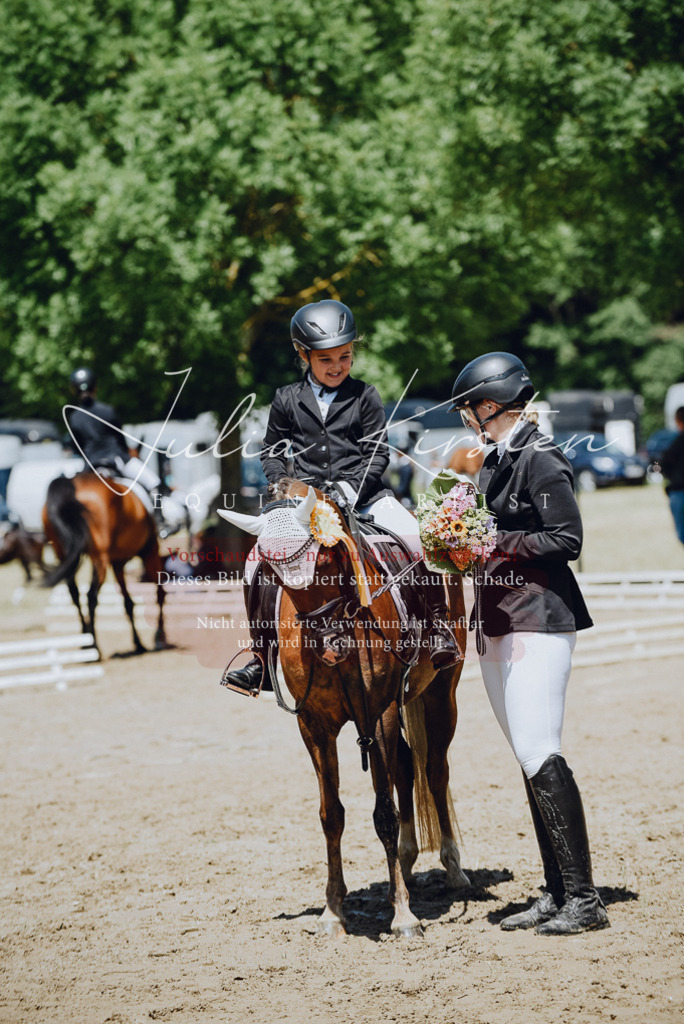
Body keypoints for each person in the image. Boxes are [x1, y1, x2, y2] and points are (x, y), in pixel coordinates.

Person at [223, 298, 461, 694]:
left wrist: (346, 491)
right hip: (303, 505)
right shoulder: (285, 398)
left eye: (344, 357)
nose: (336, 366)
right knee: (255, 562)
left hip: (364, 495)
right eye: (325, 359)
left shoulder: (365, 395)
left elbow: (377, 453)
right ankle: (261, 659)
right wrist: (282, 485)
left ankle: (437, 629)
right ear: (303, 355)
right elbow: (272, 452)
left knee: (417, 538)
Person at [449, 351, 609, 936]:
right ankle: (555, 889)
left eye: (471, 410)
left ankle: (585, 901)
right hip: (498, 620)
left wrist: (494, 540)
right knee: (527, 755)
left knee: (541, 750)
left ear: (490, 406)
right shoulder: (498, 459)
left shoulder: (541, 457)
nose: (469, 420)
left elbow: (566, 538)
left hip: (539, 618)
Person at [65, 368, 180, 538]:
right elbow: (120, 439)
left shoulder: (74, 418)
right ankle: (160, 522)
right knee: (153, 483)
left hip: (92, 465)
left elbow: (77, 447)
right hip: (116, 459)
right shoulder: (108, 411)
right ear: (95, 387)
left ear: (74, 390)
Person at [659, 406, 684, 546]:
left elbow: (662, 465)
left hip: (679, 491)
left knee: (682, 533)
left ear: (678, 421)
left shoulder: (675, 443)